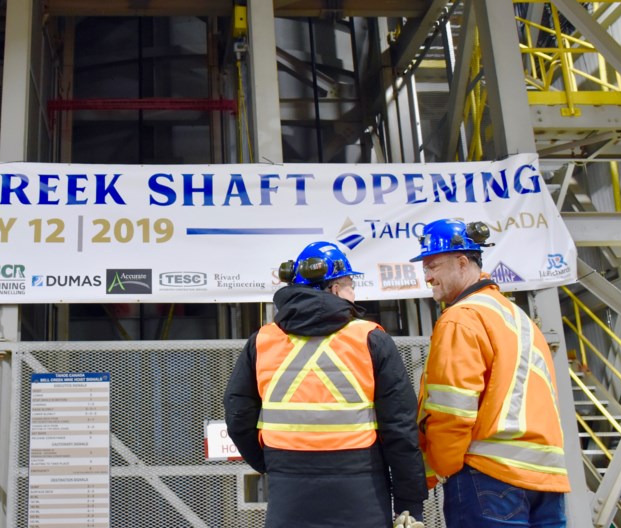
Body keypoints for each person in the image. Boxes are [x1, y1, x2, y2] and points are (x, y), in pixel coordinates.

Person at [223, 241, 427, 528]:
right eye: (349, 285)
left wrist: (274, 466)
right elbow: (400, 428)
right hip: (362, 494)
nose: (354, 293)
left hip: (288, 494)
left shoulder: (262, 341)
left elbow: (238, 418)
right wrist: (409, 503)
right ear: (334, 289)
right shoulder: (370, 339)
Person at [412, 219, 571, 527]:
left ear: (461, 262)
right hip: (547, 479)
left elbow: (452, 408)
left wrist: (445, 466)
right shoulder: (517, 317)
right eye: (425, 268)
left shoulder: (461, 318)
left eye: (433, 265)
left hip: (490, 476)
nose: (428, 276)